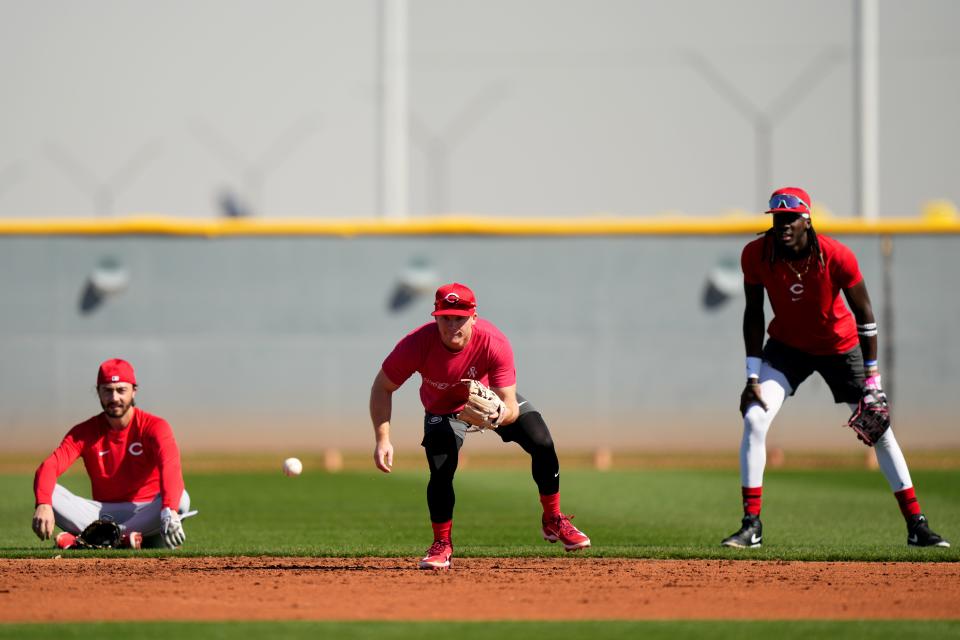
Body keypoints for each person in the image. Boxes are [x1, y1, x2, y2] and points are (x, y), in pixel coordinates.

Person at [722, 186, 949, 549]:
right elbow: (753, 313)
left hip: (839, 348)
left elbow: (866, 316)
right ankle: (752, 526)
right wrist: (752, 375)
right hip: (786, 348)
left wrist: (873, 380)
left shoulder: (836, 255)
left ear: (807, 220)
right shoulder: (756, 254)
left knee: (879, 429)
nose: (783, 225)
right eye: (778, 219)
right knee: (754, 417)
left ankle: (917, 526)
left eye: (791, 218)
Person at [370, 282, 591, 569]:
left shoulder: (493, 342)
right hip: (442, 409)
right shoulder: (416, 344)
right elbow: (382, 387)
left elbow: (509, 403)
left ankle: (552, 519)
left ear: (474, 317)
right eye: (445, 317)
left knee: (542, 441)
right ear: (435, 316)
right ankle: (442, 544)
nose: (452, 325)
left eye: (459, 317)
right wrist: (382, 438)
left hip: (490, 400)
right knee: (441, 467)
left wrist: (499, 414)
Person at [32, 358, 194, 549]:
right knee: (50, 492)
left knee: (181, 499)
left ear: (134, 390)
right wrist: (43, 503)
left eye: (121, 390)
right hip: (101, 513)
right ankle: (123, 539)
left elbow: (170, 467)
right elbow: (49, 466)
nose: (114, 397)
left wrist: (169, 510)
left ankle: (89, 540)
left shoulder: (155, 427)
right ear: (98, 392)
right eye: (107, 390)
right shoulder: (85, 432)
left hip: (146, 511)